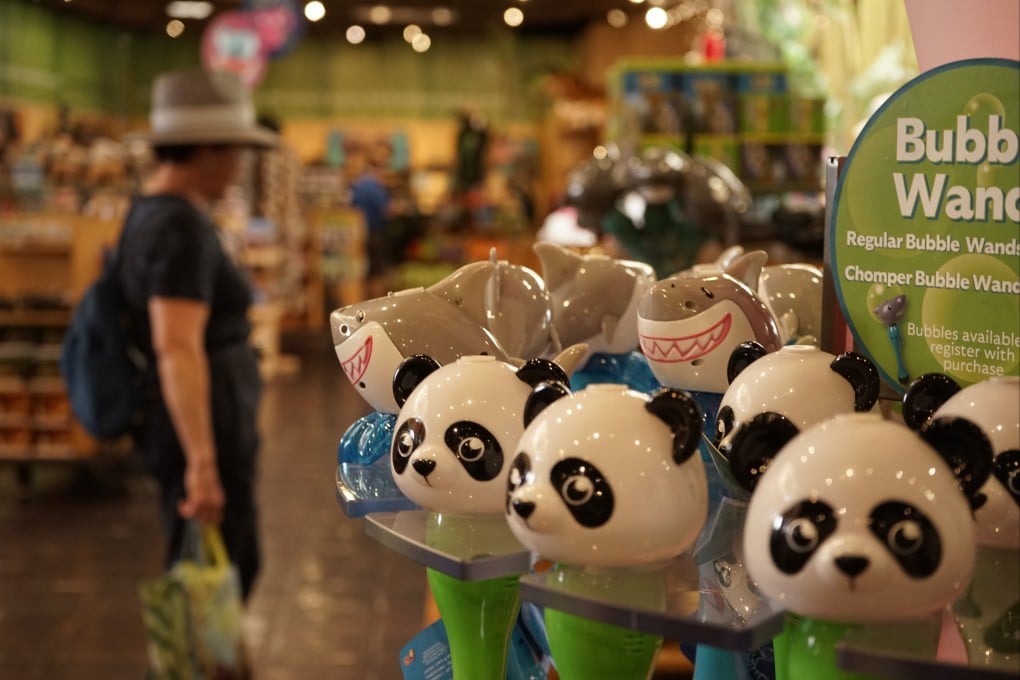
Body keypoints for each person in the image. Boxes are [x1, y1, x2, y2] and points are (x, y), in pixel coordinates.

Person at [118, 69, 277, 600]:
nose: (239, 166)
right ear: (205, 149)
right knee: (220, 569)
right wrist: (203, 464)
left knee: (219, 566)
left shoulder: (155, 212)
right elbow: (177, 347)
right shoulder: (176, 227)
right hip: (203, 421)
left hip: (204, 415)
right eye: (234, 150)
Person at [349, 159, 391, 298]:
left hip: (359, 233)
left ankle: (363, 298)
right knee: (377, 271)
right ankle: (376, 300)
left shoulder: (357, 185)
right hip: (375, 232)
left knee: (363, 269)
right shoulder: (375, 187)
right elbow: (385, 209)